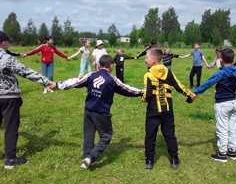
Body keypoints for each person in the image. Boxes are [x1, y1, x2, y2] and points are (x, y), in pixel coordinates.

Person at [56, 55, 143, 169]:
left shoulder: (91, 75)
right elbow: (127, 89)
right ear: (110, 65)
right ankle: (90, 157)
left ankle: (86, 158)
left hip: (88, 110)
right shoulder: (112, 79)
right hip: (101, 113)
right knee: (106, 136)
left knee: (88, 134)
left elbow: (75, 82)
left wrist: (58, 85)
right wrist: (142, 92)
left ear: (100, 64)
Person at [193, 48, 236, 163]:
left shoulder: (221, 72)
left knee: (222, 129)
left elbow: (208, 83)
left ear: (221, 59)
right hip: (233, 103)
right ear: (233, 59)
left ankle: (222, 154)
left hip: (222, 104)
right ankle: (232, 151)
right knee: (232, 128)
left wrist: (195, 92)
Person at [0, 31, 55, 169]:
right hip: (9, 98)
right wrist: (47, 82)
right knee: (11, 128)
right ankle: (10, 160)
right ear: (3, 42)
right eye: (8, 41)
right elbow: (26, 71)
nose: (9, 43)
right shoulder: (6, 58)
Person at [142, 48, 196, 170]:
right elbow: (178, 85)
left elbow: (148, 94)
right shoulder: (168, 71)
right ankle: (174, 159)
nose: (145, 61)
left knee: (150, 135)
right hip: (167, 110)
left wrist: (143, 99)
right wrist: (189, 95)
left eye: (146, 58)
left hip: (153, 111)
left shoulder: (148, 74)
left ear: (154, 60)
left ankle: (149, 161)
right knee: (170, 135)